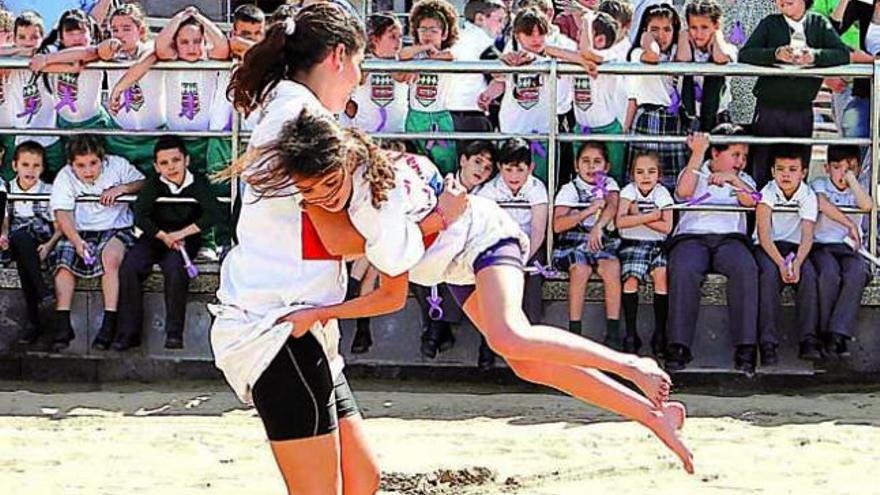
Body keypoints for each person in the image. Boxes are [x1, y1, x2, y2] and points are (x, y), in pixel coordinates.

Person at [245, 108, 694, 474]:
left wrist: (321, 313)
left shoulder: (377, 205)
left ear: (344, 164)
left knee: (511, 336)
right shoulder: (357, 181)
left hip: (481, 236)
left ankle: (630, 363)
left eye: (327, 186)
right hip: (454, 262)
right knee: (525, 363)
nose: (322, 198)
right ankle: (650, 415)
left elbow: (391, 298)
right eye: (309, 192)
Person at [208, 4, 390, 493]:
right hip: (278, 325)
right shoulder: (303, 117)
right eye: (359, 61)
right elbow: (335, 236)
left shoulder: (290, 105)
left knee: (362, 477)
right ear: (337, 57)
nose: (360, 76)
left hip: (300, 318)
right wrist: (420, 233)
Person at [114, 135, 224, 351]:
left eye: (176, 160)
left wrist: (181, 233)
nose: (171, 167)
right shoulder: (154, 184)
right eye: (164, 163)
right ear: (156, 166)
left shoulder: (198, 182)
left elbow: (213, 214)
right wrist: (164, 236)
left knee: (175, 268)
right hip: (156, 236)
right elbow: (141, 216)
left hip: (186, 236)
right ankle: (129, 332)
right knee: (130, 266)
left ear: (187, 160)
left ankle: (174, 332)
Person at [667, 127, 760, 372]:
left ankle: (746, 348)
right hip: (692, 237)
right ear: (716, 153)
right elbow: (683, 193)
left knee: (746, 268)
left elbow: (754, 202)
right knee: (683, 269)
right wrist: (698, 154)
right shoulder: (694, 170)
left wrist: (734, 180)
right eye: (736, 155)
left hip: (730, 240)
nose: (741, 162)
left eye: (744, 157)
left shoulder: (744, 178)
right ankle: (678, 346)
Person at [48, 134, 145, 351]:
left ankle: (109, 322)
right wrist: (76, 241)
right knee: (64, 262)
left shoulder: (118, 165)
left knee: (110, 259)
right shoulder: (65, 177)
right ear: (71, 165)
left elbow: (142, 181)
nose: (88, 170)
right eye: (81, 165)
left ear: (102, 158)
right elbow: (62, 212)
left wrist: (122, 189)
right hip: (80, 229)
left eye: (93, 163)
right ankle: (62, 322)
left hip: (116, 228)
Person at [476, 138, 548, 369]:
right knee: (490, 287)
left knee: (533, 282)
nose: (514, 175)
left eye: (520, 169)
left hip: (530, 247)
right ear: (500, 168)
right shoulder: (488, 192)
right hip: (498, 246)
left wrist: (521, 262)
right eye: (508, 169)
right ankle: (487, 345)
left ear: (531, 168)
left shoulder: (537, 189)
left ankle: (532, 351)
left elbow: (538, 231)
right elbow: (486, 230)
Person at [552, 142, 622, 348]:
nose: (591, 167)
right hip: (572, 241)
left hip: (600, 239)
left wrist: (598, 226)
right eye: (586, 161)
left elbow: (613, 205)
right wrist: (587, 211)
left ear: (606, 167)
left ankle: (613, 333)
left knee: (612, 267)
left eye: (597, 162)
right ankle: (575, 331)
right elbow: (558, 225)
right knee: (580, 269)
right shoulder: (570, 189)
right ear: (576, 165)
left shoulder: (609, 184)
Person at [809, 144, 872, 358]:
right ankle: (825, 332)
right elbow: (821, 203)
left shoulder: (859, 188)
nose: (842, 173)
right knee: (828, 274)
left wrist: (852, 180)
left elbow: (867, 205)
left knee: (857, 273)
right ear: (827, 168)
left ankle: (838, 334)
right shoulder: (820, 184)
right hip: (823, 246)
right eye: (837, 167)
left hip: (850, 249)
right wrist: (849, 223)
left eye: (850, 167)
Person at [0, 141, 60, 345]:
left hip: (41, 241)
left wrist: (49, 245)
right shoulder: (6, 188)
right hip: (13, 242)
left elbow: (60, 225)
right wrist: (4, 235)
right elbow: (5, 220)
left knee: (26, 260)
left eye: (36, 166)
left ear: (43, 168)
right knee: (19, 238)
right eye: (25, 165)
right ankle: (42, 293)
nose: (31, 171)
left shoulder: (49, 190)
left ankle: (33, 322)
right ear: (15, 165)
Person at [615, 151, 672, 356]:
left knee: (661, 276)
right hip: (633, 243)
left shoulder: (662, 193)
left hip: (657, 244)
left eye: (651, 171)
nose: (645, 177)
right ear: (632, 175)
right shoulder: (628, 191)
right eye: (640, 172)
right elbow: (620, 222)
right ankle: (631, 335)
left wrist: (638, 216)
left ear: (659, 175)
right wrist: (652, 216)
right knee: (630, 279)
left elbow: (667, 227)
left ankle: (660, 334)